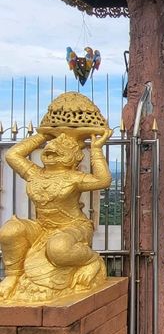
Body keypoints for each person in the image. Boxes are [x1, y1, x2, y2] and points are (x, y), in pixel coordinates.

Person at [0, 127, 112, 302]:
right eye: (50, 146)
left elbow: (103, 180)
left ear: (75, 156)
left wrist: (96, 149)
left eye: (63, 146)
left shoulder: (75, 177)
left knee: (58, 249)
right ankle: (13, 275)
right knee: (10, 230)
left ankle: (91, 260)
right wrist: (43, 135)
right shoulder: (35, 173)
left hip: (74, 227)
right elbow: (12, 156)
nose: (53, 147)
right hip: (42, 227)